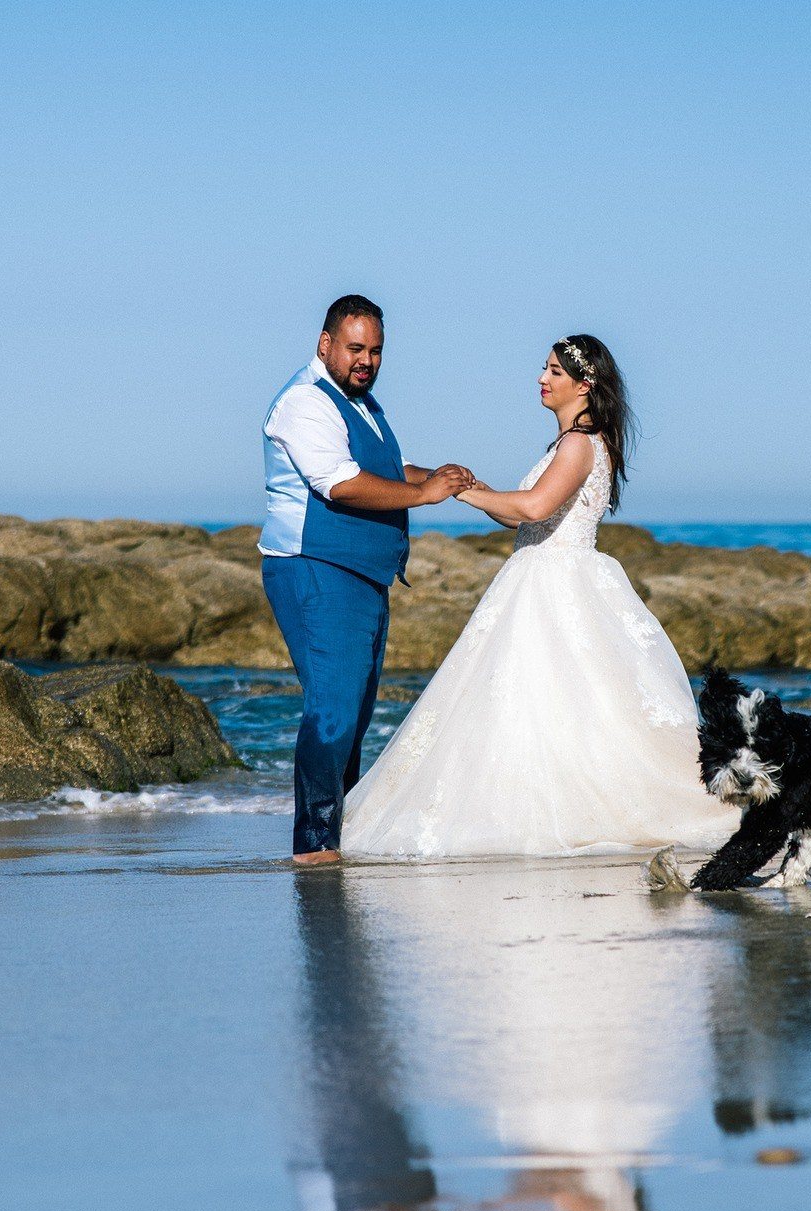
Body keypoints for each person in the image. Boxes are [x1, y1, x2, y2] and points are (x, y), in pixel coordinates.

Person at [341, 335, 738, 857]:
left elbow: (534, 507)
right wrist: (472, 486)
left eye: (554, 371)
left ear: (584, 384)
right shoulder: (566, 444)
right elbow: (516, 511)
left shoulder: (579, 443)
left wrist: (458, 489)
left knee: (555, 702)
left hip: (556, 582)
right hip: (539, 575)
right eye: (544, 368)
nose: (541, 378)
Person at [260, 295, 474, 865]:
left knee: (353, 714)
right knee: (331, 708)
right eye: (356, 348)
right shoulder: (305, 403)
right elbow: (338, 482)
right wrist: (424, 495)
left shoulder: (363, 405)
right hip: (314, 567)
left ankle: (336, 835)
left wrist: (439, 478)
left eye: (376, 351)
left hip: (364, 577)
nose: (367, 361)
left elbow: (380, 473)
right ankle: (313, 846)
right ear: (325, 343)